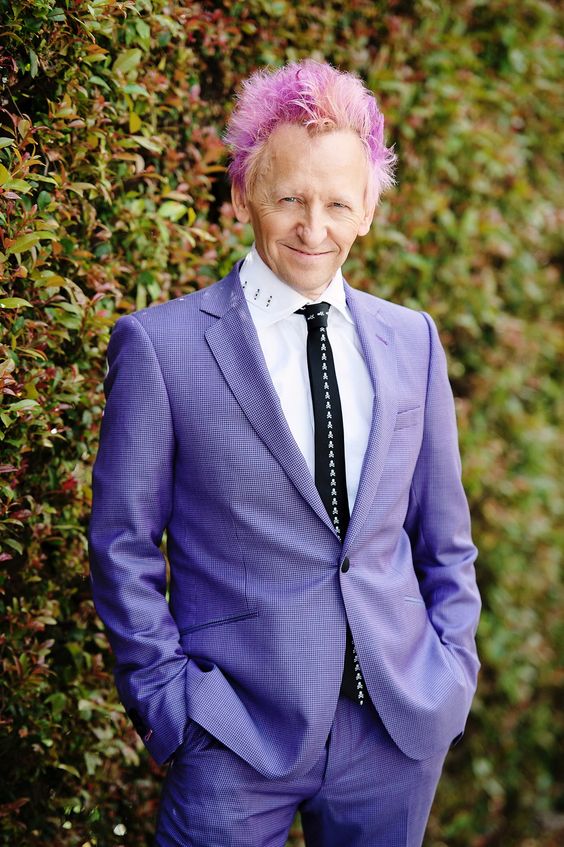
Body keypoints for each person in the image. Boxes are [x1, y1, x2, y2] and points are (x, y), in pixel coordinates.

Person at [89, 59, 481, 847]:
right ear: (243, 195)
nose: (315, 227)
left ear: (368, 209)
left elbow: (444, 535)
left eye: (339, 202)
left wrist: (451, 671)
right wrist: (175, 709)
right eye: (290, 198)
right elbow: (120, 546)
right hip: (234, 737)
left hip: (395, 731)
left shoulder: (412, 340)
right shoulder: (162, 349)